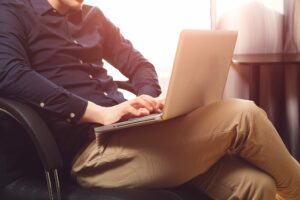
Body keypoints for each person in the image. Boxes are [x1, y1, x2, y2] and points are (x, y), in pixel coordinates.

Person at [0, 0, 299, 199]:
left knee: (257, 186)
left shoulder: (93, 17)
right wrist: (98, 113)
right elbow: (10, 73)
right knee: (242, 115)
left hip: (134, 133)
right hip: (91, 152)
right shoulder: (12, 11)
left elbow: (138, 64)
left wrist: (146, 96)